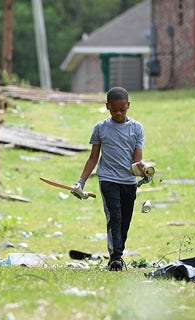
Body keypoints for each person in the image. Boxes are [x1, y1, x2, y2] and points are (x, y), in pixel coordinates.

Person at [70, 87, 150, 271]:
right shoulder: (100, 128)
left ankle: (118, 252)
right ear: (107, 107)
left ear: (129, 106)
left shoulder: (137, 128)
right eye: (115, 110)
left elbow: (137, 159)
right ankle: (116, 258)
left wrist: (144, 171)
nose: (119, 113)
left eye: (123, 109)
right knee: (114, 217)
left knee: (125, 221)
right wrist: (80, 182)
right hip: (108, 179)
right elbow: (93, 157)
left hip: (129, 182)